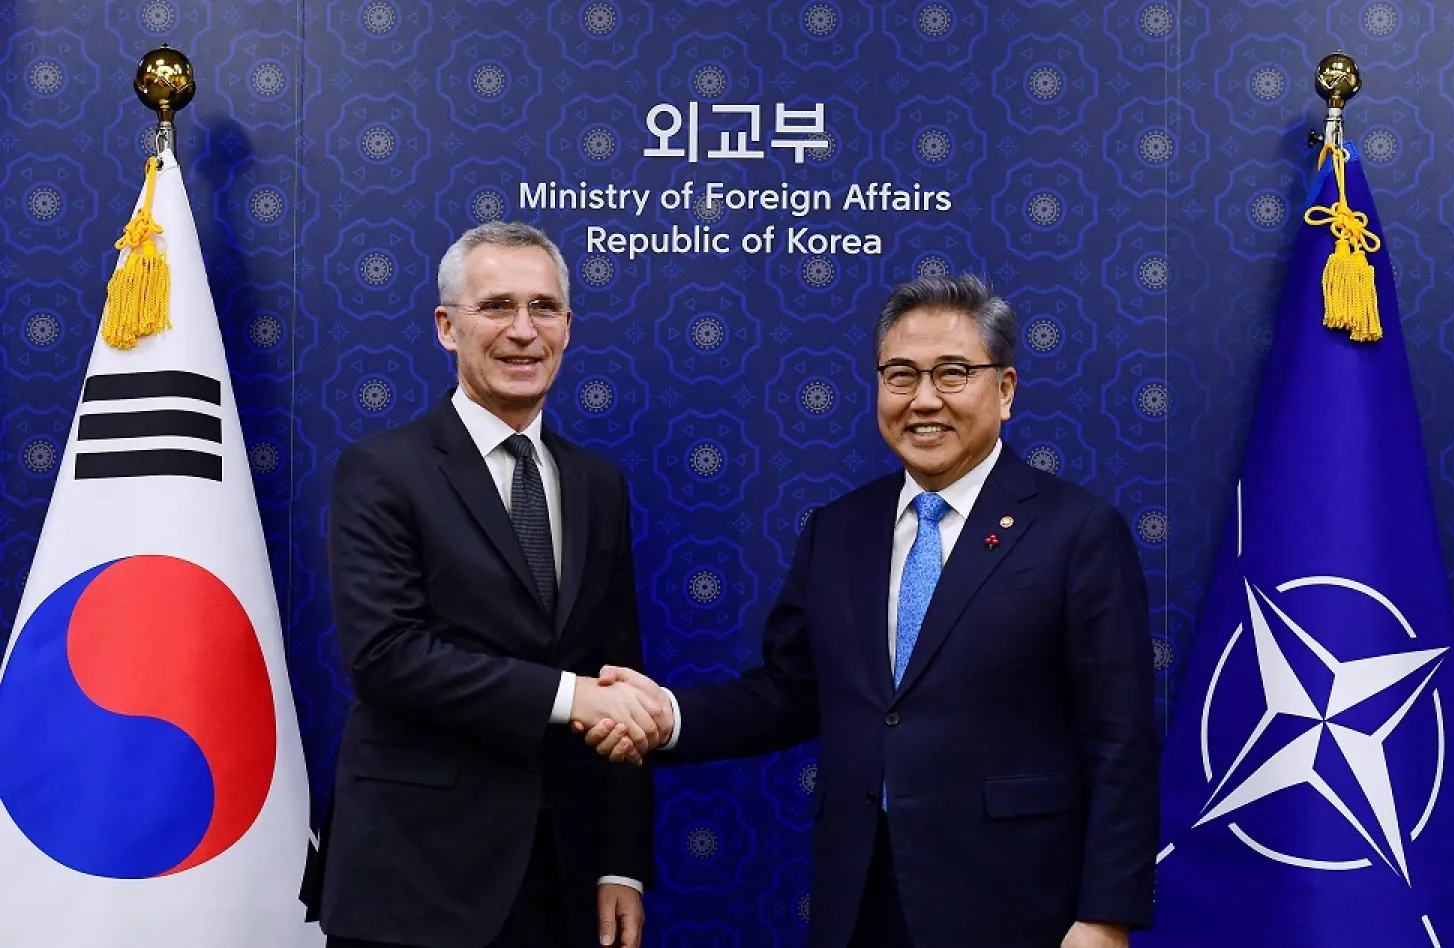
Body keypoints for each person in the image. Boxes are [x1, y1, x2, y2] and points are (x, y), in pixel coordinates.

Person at [584, 274, 1159, 948]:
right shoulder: (840, 530)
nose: (922, 400)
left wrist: (1104, 916)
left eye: (951, 374)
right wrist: (666, 718)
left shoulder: (1077, 531)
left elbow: (1120, 739)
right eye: (900, 375)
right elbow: (789, 693)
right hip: (860, 898)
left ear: (1004, 390)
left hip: (1017, 905)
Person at [316, 221, 670, 948]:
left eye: (543, 308)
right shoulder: (383, 472)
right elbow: (387, 658)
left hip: (563, 876)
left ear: (568, 327)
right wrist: (572, 698)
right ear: (447, 327)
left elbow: (620, 670)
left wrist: (621, 865)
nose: (522, 332)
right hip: (415, 876)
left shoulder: (598, 485)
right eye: (496, 307)